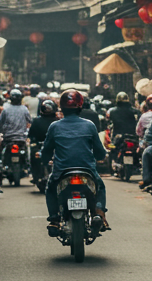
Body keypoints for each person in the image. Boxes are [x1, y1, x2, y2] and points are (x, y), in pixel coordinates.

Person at [41, 89, 109, 235]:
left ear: (62, 108)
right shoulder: (89, 125)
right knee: (100, 187)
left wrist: (44, 160)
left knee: (50, 188)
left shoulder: (55, 126)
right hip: (87, 171)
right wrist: (101, 156)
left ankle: (54, 219)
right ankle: (99, 213)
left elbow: (46, 150)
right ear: (80, 107)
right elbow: (99, 151)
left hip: (61, 172)